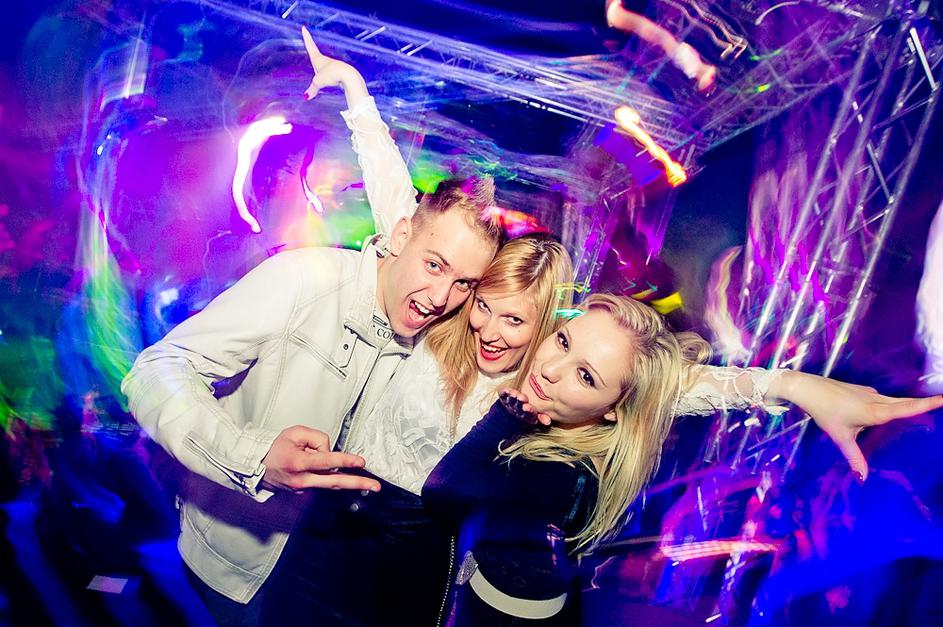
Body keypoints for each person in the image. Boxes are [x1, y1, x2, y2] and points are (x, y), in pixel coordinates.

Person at [120, 106, 501, 627]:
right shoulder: (305, 280)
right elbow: (155, 370)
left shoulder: (431, 331)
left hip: (325, 576)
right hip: (235, 571)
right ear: (400, 236)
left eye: (463, 284)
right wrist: (253, 458)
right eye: (434, 265)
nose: (440, 296)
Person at [422, 294, 943, 624]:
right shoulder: (565, 420)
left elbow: (443, 491)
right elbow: (669, 387)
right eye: (562, 340)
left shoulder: (559, 475)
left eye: (586, 376)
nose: (550, 368)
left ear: (614, 409)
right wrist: (791, 384)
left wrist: (507, 414)